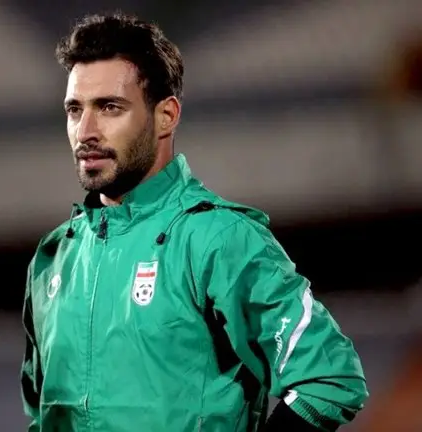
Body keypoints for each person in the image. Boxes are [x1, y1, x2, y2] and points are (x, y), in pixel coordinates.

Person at [21, 13, 368, 431]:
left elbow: (330, 378)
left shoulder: (219, 239)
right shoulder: (55, 257)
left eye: (109, 107)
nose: (85, 131)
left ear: (166, 115)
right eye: (75, 110)